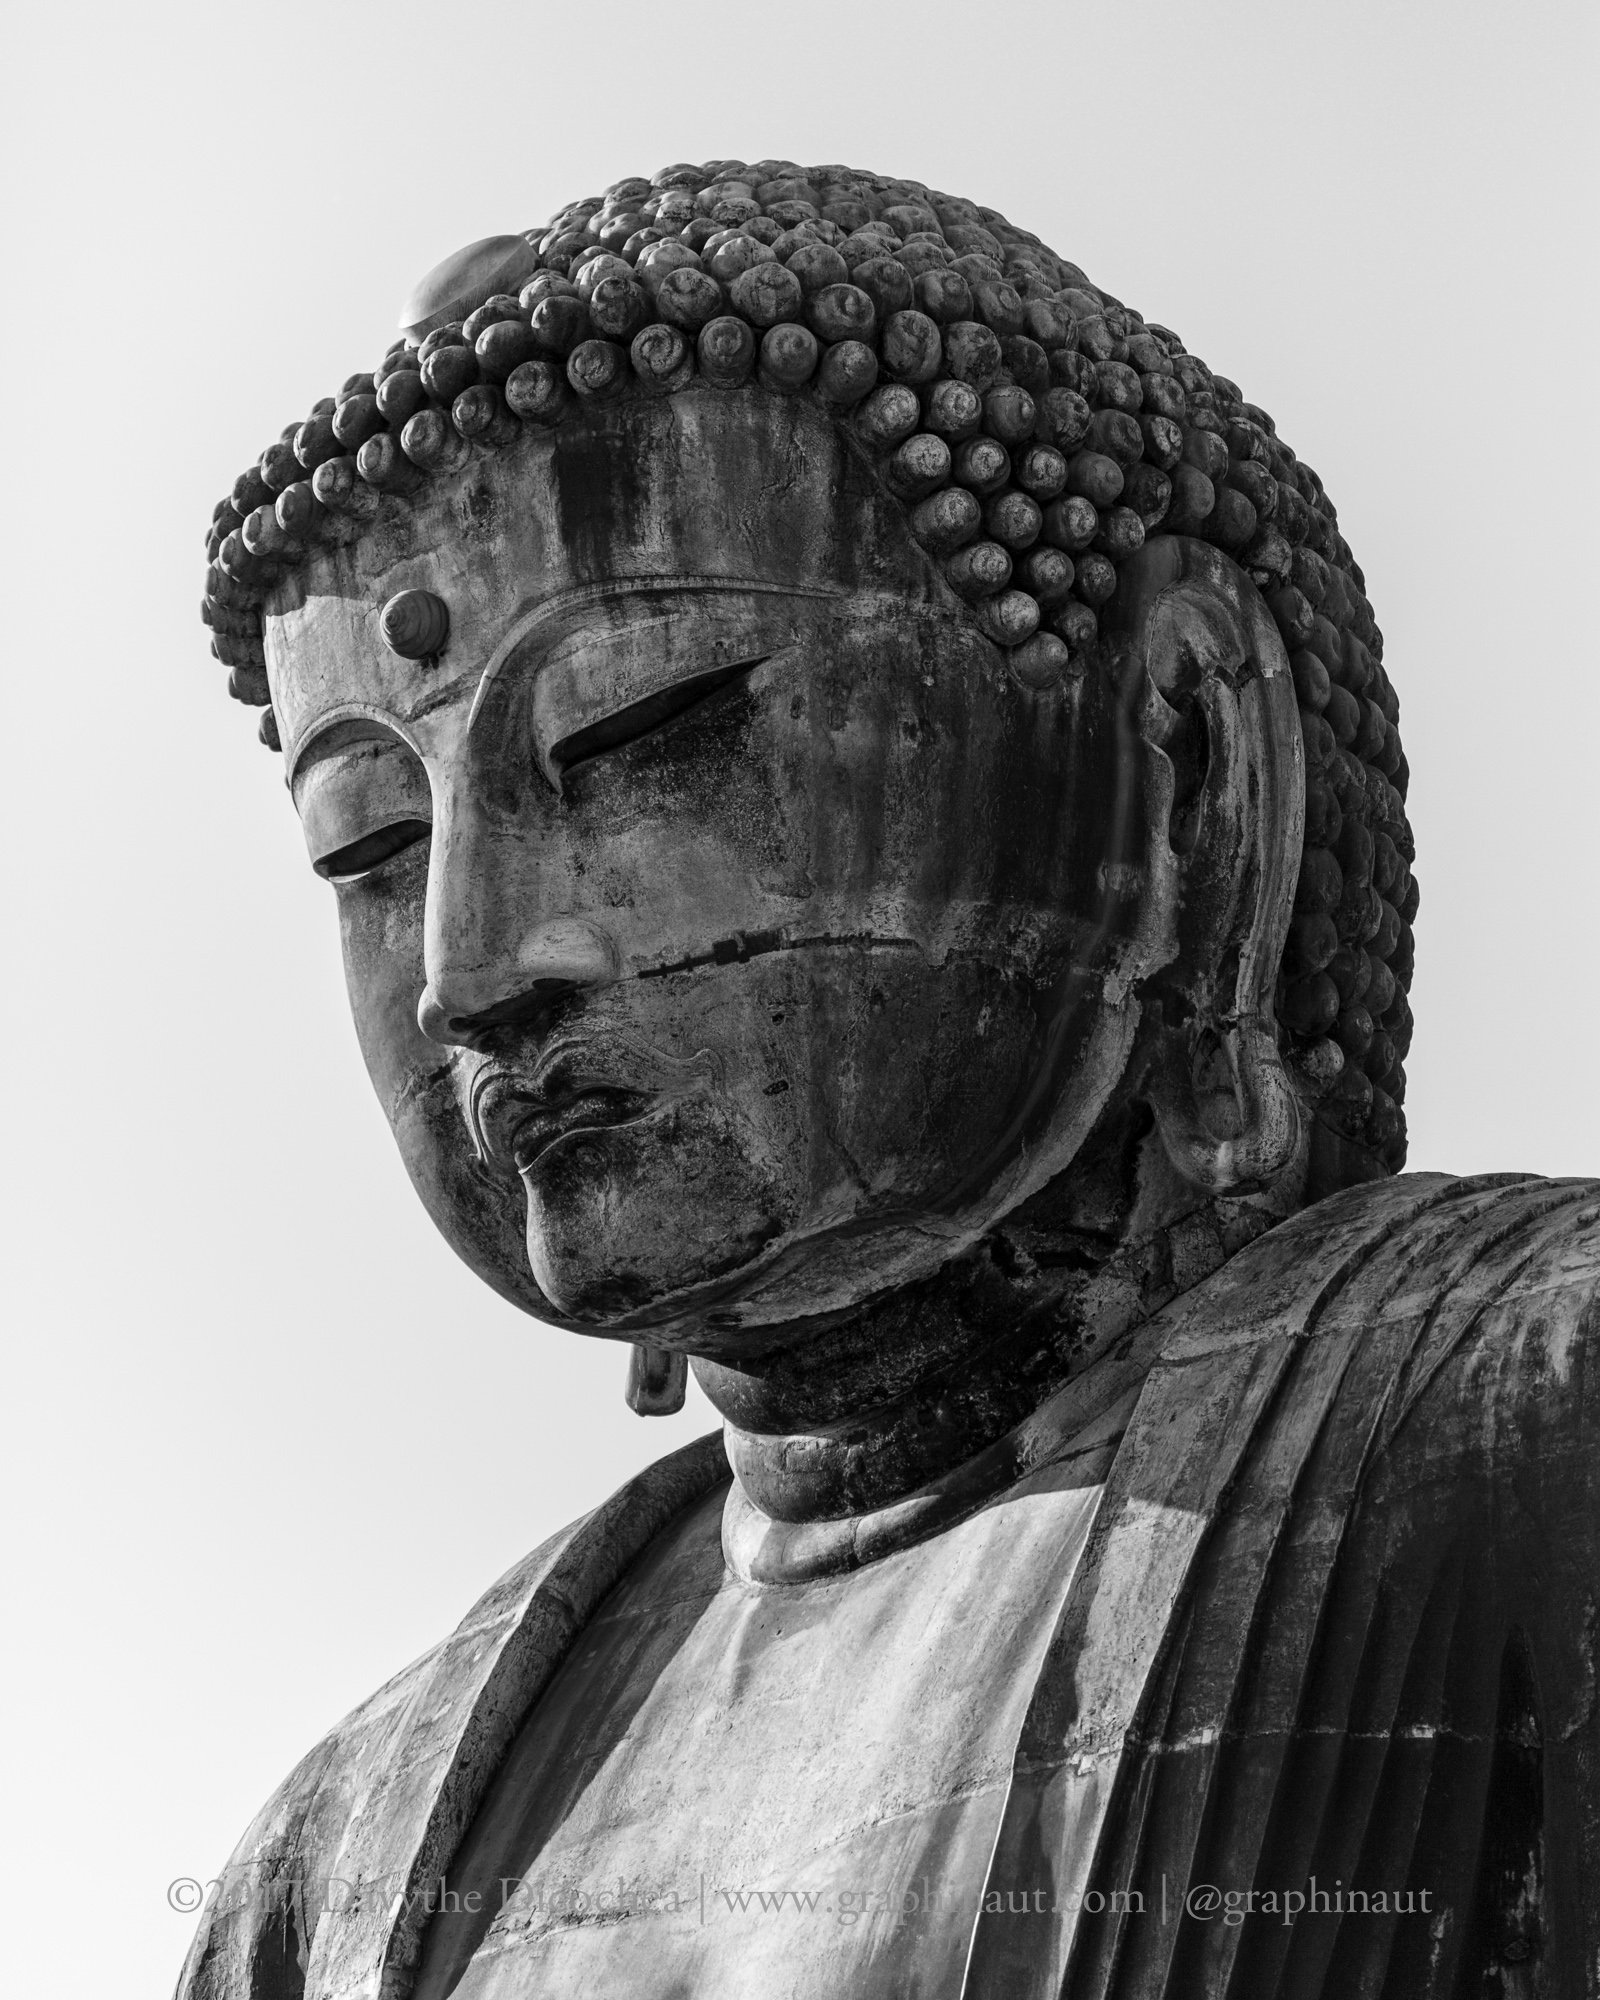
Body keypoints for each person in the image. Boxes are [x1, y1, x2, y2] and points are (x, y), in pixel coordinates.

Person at [181, 159, 1598, 2000]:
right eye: (366, 842)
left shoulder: (1529, 1429)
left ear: (1181, 772)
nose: (470, 966)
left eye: (638, 728)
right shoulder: (332, 1874)